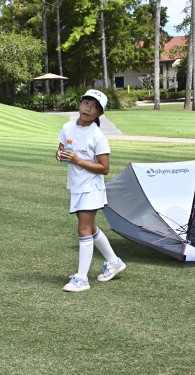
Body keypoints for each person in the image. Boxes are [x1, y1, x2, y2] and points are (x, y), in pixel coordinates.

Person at [56, 89, 126, 292]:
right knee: (90, 227)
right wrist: (60, 155)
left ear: (99, 114)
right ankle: (114, 262)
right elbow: (60, 149)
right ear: (80, 104)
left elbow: (104, 168)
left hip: (91, 188)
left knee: (84, 229)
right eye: (86, 103)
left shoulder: (98, 135)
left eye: (95, 107)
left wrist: (79, 160)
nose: (89, 108)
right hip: (76, 186)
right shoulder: (67, 127)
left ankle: (82, 279)